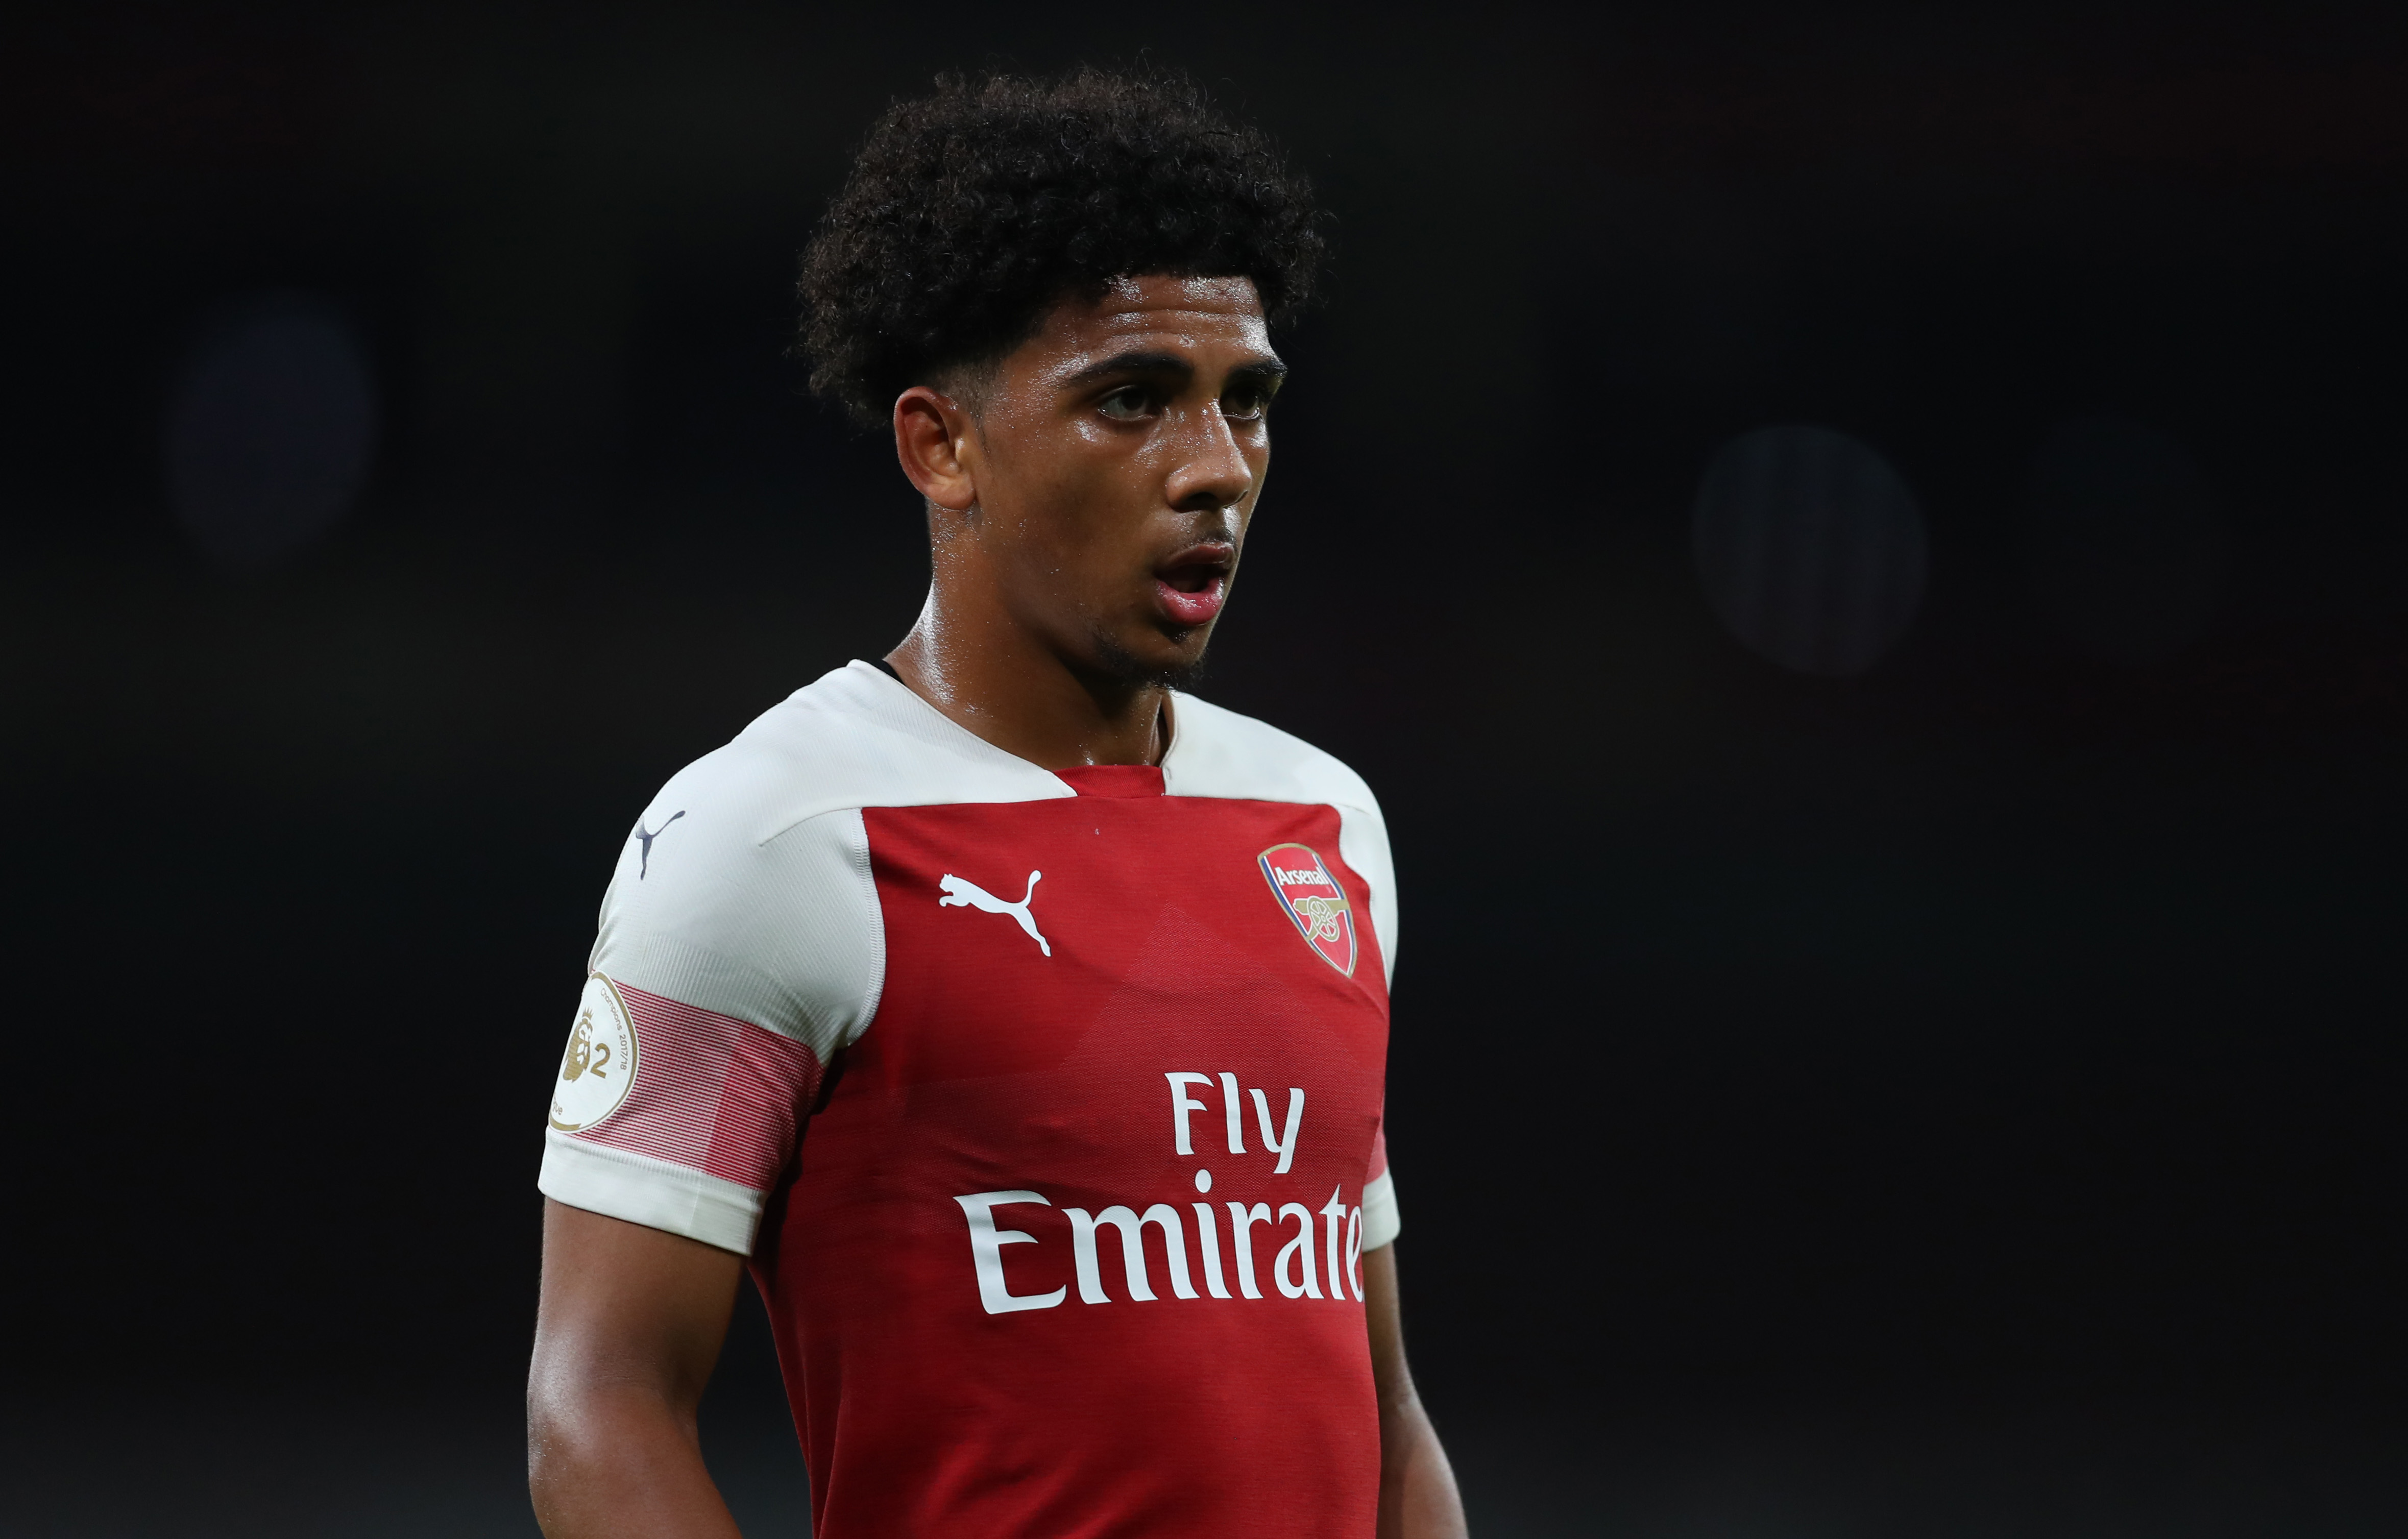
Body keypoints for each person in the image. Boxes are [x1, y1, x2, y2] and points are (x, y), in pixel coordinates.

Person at [527, 67, 1467, 1538]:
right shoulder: (774, 836)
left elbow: (1384, 1414)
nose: (1217, 468)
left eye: (1248, 403)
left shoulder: (1323, 823)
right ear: (940, 446)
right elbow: (597, 1411)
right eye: (1135, 401)